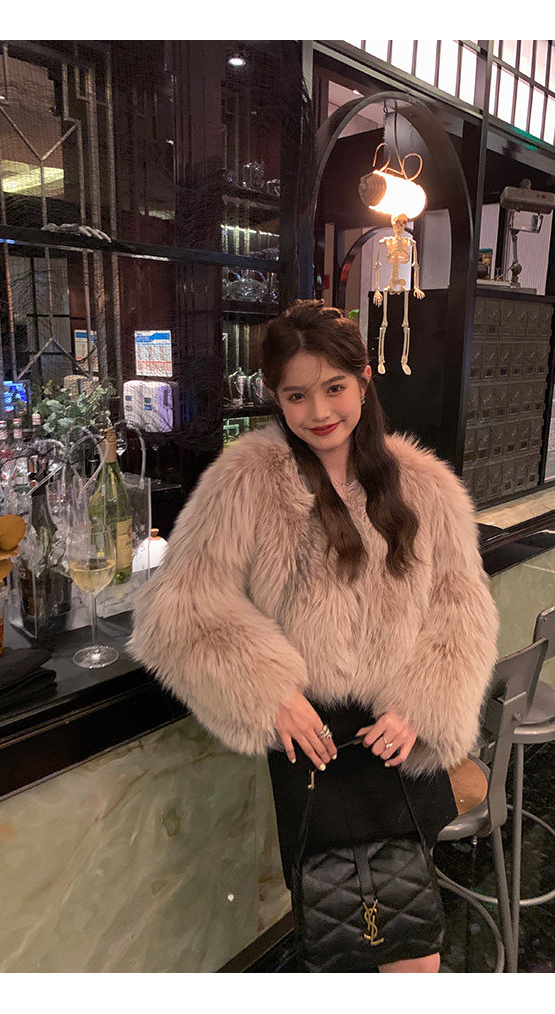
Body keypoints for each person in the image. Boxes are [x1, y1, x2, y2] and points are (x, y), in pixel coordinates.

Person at [128, 299, 500, 973]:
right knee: (345, 939)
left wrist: (421, 705)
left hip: (397, 738)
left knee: (410, 945)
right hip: (315, 742)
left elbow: (462, 611)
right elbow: (177, 610)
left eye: (334, 388)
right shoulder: (247, 478)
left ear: (364, 381)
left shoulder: (424, 486)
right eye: (296, 395)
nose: (318, 411)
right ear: (276, 397)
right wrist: (269, 694)